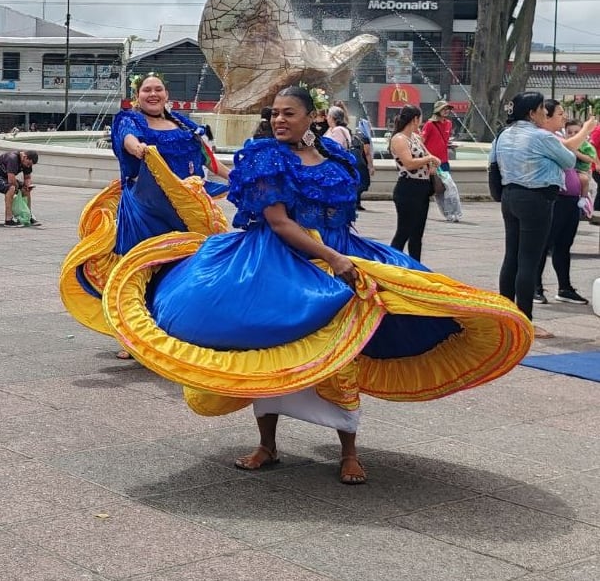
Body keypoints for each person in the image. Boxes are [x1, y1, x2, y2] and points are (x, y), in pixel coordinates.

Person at [104, 85, 533, 486]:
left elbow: (344, 214)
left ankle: (349, 450)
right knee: (267, 352)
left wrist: (343, 254)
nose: (278, 120)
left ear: (312, 117)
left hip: (342, 255)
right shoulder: (264, 156)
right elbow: (277, 221)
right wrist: (332, 258)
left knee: (345, 352)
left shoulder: (336, 154)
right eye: (274, 113)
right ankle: (267, 446)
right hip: (280, 262)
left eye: (289, 113)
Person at [61, 74, 228, 354]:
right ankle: (130, 335)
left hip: (183, 206)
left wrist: (234, 176)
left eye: (158, 89)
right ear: (137, 95)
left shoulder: (184, 124)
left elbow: (207, 157)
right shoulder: (130, 119)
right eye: (147, 90)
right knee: (140, 267)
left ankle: (176, 327)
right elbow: (127, 138)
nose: (153, 94)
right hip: (145, 206)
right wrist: (138, 148)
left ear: (166, 94)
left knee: (184, 265)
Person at [491, 92, 595, 337]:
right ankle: (525, 321)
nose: (543, 113)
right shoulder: (540, 136)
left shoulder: (503, 135)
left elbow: (493, 163)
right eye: (541, 109)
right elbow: (569, 161)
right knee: (529, 260)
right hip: (536, 199)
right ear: (532, 113)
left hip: (510, 196)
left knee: (511, 257)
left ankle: (505, 316)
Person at [535, 107, 589, 305]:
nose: (564, 116)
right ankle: (535, 287)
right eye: (559, 113)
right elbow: (569, 147)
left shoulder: (555, 135)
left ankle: (564, 287)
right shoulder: (544, 136)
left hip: (570, 199)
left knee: (564, 245)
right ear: (545, 117)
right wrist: (587, 128)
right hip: (556, 198)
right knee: (544, 244)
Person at [388, 106, 441, 261]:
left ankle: (416, 266)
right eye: (420, 119)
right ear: (415, 119)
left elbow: (426, 155)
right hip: (408, 187)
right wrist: (429, 159)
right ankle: (391, 264)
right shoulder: (399, 139)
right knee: (404, 230)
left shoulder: (416, 137)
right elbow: (409, 163)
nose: (421, 122)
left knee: (417, 233)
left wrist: (431, 163)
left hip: (422, 188)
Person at [0, 149, 40, 226]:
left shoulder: (27, 162)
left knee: (26, 189)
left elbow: (27, 178)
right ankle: (8, 219)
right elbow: (11, 180)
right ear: (25, 157)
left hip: (4, 178)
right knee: (11, 188)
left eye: (30, 165)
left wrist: (27, 186)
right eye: (28, 164)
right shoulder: (12, 158)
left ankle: (27, 215)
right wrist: (17, 190)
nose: (28, 166)